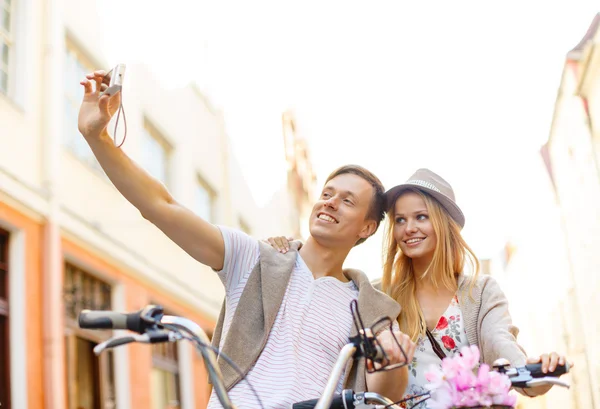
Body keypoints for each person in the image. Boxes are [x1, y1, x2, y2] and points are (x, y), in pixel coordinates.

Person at [77, 70, 416, 409]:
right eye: (327, 193)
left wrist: (393, 359)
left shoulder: (368, 307)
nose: (329, 202)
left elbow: (386, 394)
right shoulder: (253, 259)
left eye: (347, 200)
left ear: (367, 228)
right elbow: (161, 206)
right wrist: (98, 138)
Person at [267, 168, 571, 406]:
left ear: (443, 224)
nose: (409, 228)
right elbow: (324, 283)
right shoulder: (375, 294)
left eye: (421, 217)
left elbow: (501, 344)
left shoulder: (480, 292)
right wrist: (289, 251)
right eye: (400, 220)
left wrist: (534, 369)